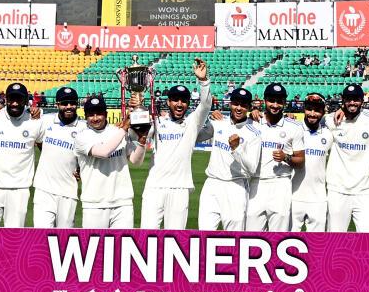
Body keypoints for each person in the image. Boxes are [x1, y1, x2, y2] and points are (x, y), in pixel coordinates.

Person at [141, 59, 213, 229]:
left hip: (180, 188)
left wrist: (203, 81)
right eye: (175, 100)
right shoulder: (158, 122)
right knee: (146, 237)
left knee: (175, 239)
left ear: (188, 103)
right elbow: (139, 135)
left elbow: (206, 105)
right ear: (168, 102)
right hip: (155, 187)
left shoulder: (192, 123)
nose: (179, 104)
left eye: (183, 100)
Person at [326, 84, 369, 232]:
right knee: (335, 239)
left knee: (365, 241)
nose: (352, 103)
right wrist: (340, 110)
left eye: (356, 99)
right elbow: (312, 121)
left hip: (364, 192)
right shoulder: (332, 120)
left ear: (362, 101)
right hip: (337, 190)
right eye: (348, 100)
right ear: (343, 100)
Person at [74, 95, 147, 228]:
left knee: (123, 248)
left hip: (122, 203)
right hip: (94, 204)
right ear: (85, 116)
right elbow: (103, 152)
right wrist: (124, 129)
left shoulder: (117, 131)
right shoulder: (82, 137)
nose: (95, 118)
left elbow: (136, 161)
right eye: (91, 114)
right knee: (95, 248)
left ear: (106, 114)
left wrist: (141, 142)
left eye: (99, 113)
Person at [0, 82, 42, 227]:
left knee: (14, 240)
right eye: (11, 98)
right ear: (5, 99)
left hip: (19, 189)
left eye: (19, 99)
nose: (14, 103)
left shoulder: (36, 120)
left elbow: (47, 149)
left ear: (26, 100)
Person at [198, 87, 261, 231]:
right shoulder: (218, 122)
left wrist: (236, 149)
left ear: (249, 107)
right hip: (212, 185)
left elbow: (252, 169)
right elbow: (196, 136)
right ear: (230, 104)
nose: (239, 108)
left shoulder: (254, 133)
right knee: (204, 235)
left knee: (234, 237)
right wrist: (205, 117)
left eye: (243, 105)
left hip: (236, 187)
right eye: (236, 103)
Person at [247, 82, 305, 232]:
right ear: (264, 101)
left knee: (279, 236)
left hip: (280, 185)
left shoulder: (294, 127)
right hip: (256, 183)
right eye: (271, 100)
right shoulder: (253, 122)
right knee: (252, 236)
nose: (275, 105)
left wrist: (286, 157)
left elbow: (300, 162)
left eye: (279, 101)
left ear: (285, 102)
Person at [32, 86, 85, 229]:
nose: (68, 107)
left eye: (72, 103)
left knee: (64, 240)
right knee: (41, 236)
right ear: (57, 105)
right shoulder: (46, 120)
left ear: (77, 104)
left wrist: (81, 168)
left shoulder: (83, 128)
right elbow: (36, 139)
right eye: (64, 103)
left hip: (68, 192)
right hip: (44, 190)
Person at [290, 92, 332, 231]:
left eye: (317, 110)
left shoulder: (329, 134)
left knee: (317, 245)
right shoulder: (293, 129)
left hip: (318, 199)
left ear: (323, 111)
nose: (312, 114)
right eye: (309, 109)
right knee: (288, 242)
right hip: (292, 196)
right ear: (304, 109)